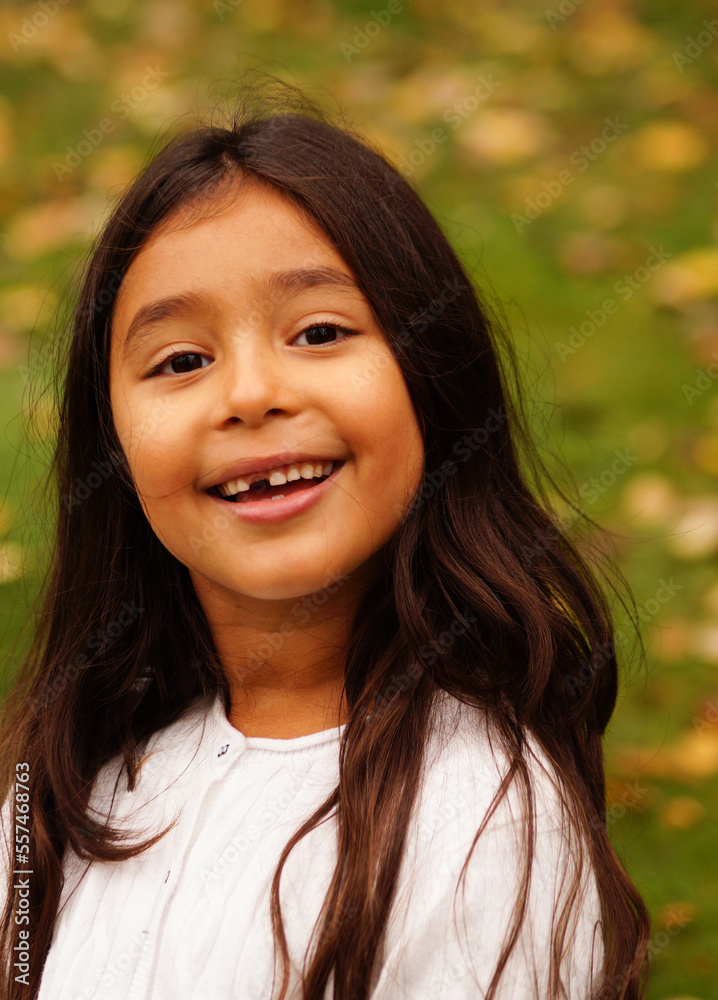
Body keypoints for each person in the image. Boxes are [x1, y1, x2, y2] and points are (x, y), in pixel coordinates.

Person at [0, 80, 650, 999]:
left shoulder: (481, 827)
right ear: (114, 444)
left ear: (432, 379)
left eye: (318, 331)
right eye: (182, 360)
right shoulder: (68, 777)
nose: (251, 393)